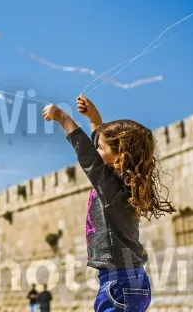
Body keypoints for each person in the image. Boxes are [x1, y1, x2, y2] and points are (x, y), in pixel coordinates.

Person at [42, 95, 176, 312]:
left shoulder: (111, 187)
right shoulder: (126, 185)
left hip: (118, 283)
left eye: (101, 148)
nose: (96, 150)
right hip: (135, 280)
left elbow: (90, 159)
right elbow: (102, 153)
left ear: (120, 157)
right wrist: (94, 118)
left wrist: (64, 119)